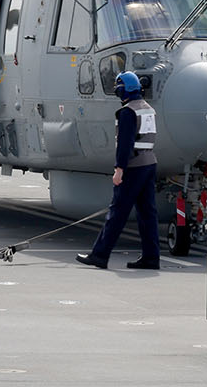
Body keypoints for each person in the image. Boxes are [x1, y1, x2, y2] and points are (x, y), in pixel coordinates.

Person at [78, 71, 161, 270]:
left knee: (117, 212)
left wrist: (119, 169)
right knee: (148, 214)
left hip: (133, 166)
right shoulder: (147, 108)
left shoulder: (127, 112)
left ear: (123, 90)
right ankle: (151, 258)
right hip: (149, 163)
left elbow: (125, 144)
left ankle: (100, 255)